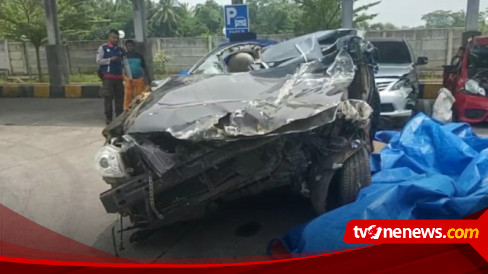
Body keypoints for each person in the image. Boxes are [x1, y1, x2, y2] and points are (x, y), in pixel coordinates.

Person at [96, 29, 125, 125]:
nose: (115, 40)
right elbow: (98, 61)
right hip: (108, 77)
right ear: (109, 37)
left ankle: (119, 117)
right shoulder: (103, 48)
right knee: (108, 98)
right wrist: (110, 59)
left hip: (119, 77)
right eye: (113, 37)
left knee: (120, 98)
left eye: (117, 38)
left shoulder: (121, 49)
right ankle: (108, 118)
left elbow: (124, 63)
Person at [123, 39, 149, 111]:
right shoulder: (124, 56)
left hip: (139, 80)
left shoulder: (139, 56)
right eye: (128, 46)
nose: (130, 47)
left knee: (139, 96)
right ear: (126, 47)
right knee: (128, 96)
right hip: (129, 80)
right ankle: (127, 110)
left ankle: (138, 110)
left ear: (134, 46)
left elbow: (144, 67)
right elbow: (122, 68)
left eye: (131, 46)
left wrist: (147, 80)